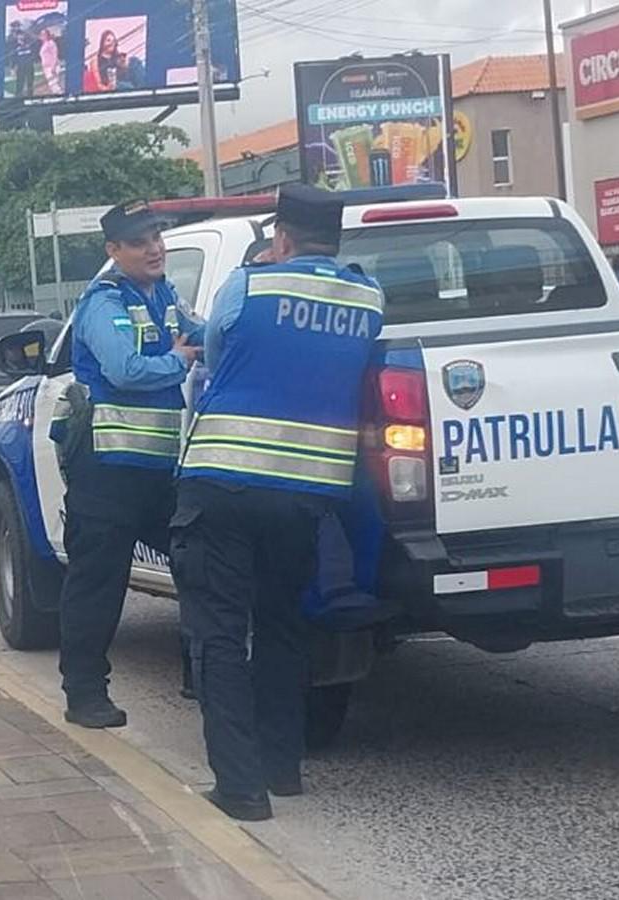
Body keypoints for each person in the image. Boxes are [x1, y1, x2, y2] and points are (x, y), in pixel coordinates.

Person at [171, 185, 384, 822]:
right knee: (285, 628)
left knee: (218, 635)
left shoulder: (248, 286)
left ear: (281, 239)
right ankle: (282, 769)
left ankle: (239, 788)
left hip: (222, 486)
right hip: (305, 496)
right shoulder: (368, 298)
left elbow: (215, 356)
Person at [57, 200, 202, 729]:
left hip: (159, 471)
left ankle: (201, 671)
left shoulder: (163, 294)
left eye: (158, 236)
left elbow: (202, 331)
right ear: (113, 251)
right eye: (140, 241)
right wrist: (179, 360)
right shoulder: (102, 302)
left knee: (199, 562)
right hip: (107, 468)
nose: (155, 247)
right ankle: (85, 694)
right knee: (98, 582)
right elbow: (125, 369)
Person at [8, 21, 37, 98]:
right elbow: (12, 56)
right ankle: (18, 97)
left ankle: (30, 96)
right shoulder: (13, 44)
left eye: (22, 35)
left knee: (30, 82)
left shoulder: (29, 42)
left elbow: (34, 42)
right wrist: (12, 67)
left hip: (29, 65)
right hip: (20, 66)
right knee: (20, 82)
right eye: (19, 36)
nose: (21, 37)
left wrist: (32, 59)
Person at [39, 28, 62, 95]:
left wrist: (53, 67)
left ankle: (59, 96)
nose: (41, 36)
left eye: (43, 34)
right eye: (41, 34)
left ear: (47, 35)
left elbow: (55, 55)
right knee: (51, 84)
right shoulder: (44, 44)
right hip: (46, 67)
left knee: (53, 84)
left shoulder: (51, 43)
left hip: (52, 67)